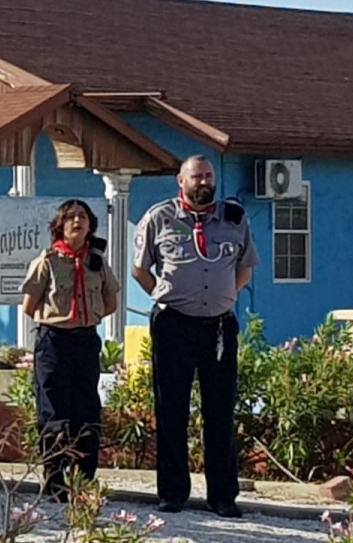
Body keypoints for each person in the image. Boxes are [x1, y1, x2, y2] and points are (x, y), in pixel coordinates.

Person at [132, 155, 258, 518]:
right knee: (172, 409)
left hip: (219, 326)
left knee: (220, 410)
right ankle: (172, 493)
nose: (203, 182)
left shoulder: (234, 218)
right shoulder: (160, 217)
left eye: (208, 176)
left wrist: (223, 298)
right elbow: (140, 269)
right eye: (196, 177)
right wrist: (167, 295)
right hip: (174, 325)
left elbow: (245, 268)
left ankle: (222, 496)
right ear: (180, 181)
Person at [21, 199, 119, 501]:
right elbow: (30, 306)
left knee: (86, 410)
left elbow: (110, 301)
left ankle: (83, 480)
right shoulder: (47, 261)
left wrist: (86, 318)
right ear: (60, 226)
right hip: (54, 341)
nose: (77, 221)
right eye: (71, 217)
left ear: (91, 225)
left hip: (86, 341)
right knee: (53, 411)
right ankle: (54, 482)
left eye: (83, 217)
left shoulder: (98, 262)